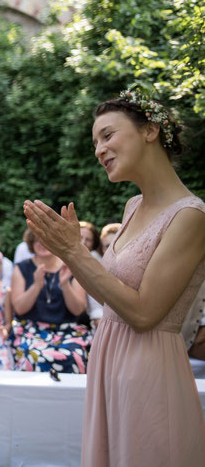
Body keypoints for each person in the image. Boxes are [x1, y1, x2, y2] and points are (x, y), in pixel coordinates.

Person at [24, 92, 205, 465]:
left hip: (149, 368)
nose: (98, 150)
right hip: (109, 359)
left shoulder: (191, 216)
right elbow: (110, 295)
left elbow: (143, 313)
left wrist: (75, 252)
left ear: (150, 130)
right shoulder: (133, 206)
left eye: (107, 136)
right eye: (95, 143)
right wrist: (67, 251)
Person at [10, 229, 91, 373]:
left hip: (68, 330)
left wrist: (65, 285)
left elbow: (78, 309)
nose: (42, 244)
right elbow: (19, 309)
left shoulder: (71, 267)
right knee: (33, 357)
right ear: (31, 244)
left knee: (74, 356)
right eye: (37, 240)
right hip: (31, 330)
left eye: (48, 240)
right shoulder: (22, 268)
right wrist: (36, 286)